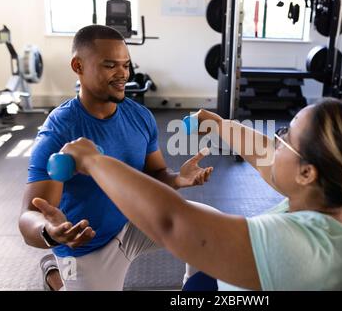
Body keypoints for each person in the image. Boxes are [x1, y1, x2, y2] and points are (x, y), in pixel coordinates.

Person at [42, 99, 342, 291]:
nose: (274, 141)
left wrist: (95, 161)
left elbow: (173, 222)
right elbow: (268, 157)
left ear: (307, 172)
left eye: (285, 137)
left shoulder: (300, 247)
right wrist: (217, 124)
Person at [18, 25, 213, 291]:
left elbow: (155, 176)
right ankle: (57, 277)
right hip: (87, 244)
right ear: (78, 65)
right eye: (110, 65)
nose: (122, 74)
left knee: (210, 228)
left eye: (126, 65)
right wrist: (50, 233)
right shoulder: (59, 131)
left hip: (134, 221)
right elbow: (29, 215)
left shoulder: (140, 117)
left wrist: (178, 178)